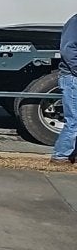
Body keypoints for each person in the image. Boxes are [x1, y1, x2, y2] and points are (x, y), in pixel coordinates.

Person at [51, 12, 77, 164]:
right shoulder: (75, 22)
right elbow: (68, 49)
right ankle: (60, 155)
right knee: (74, 120)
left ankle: (70, 153)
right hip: (72, 77)